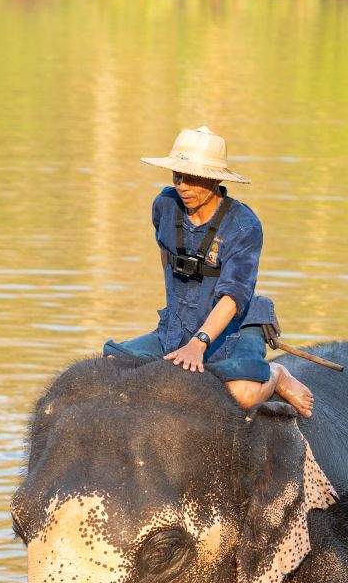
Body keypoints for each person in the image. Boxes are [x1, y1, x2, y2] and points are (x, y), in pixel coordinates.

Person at [103, 125, 313, 417]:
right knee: (109, 365)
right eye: (178, 176)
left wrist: (199, 343)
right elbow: (170, 260)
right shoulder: (164, 206)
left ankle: (275, 375)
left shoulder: (243, 226)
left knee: (242, 395)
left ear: (215, 180)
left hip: (231, 329)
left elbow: (233, 296)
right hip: (177, 325)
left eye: (193, 178)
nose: (183, 186)